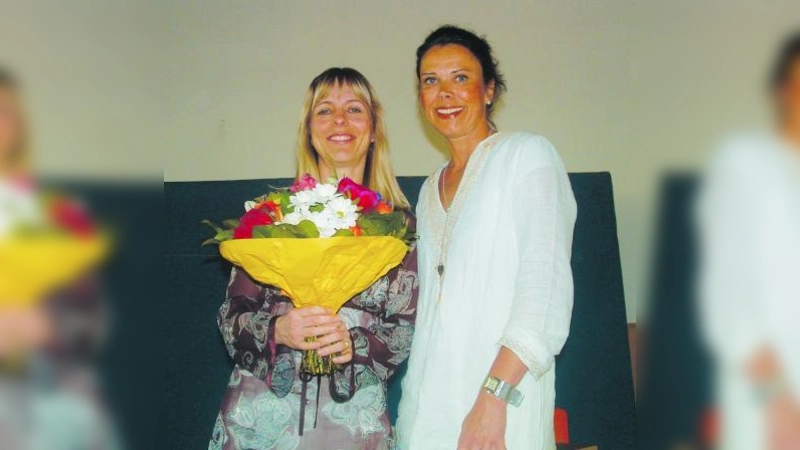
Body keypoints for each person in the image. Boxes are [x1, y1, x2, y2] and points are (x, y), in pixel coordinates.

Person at [209, 67, 419, 450]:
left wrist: (352, 345)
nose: (339, 120)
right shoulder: (270, 216)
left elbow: (405, 330)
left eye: (354, 109)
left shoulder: (399, 226)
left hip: (353, 425)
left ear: (374, 129)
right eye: (324, 110)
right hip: (260, 421)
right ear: (308, 129)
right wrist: (279, 330)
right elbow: (230, 316)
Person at [396, 26, 577, 450]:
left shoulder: (528, 155)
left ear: (489, 90)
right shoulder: (428, 189)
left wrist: (492, 399)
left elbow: (545, 291)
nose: (445, 93)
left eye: (460, 78)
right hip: (425, 410)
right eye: (430, 81)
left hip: (500, 407)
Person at [696, 30, 800, 450]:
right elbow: (729, 295)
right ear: (782, 91)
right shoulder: (745, 165)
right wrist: (777, 402)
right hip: (770, 399)